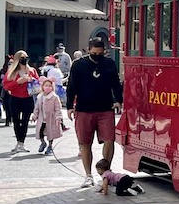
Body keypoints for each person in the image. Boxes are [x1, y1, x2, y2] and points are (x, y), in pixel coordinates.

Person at [67, 37, 123, 188]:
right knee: (85, 143)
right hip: (84, 109)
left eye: (100, 53)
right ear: (88, 50)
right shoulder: (78, 65)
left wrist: (118, 100)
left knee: (109, 140)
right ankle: (88, 175)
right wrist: (69, 106)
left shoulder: (109, 64)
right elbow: (71, 86)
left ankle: (107, 173)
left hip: (105, 108)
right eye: (94, 53)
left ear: (104, 51)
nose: (97, 56)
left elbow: (116, 83)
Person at [2, 50, 39, 153]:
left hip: (27, 98)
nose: (24, 60)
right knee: (16, 121)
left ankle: (22, 143)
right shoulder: (11, 72)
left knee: (25, 121)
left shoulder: (32, 71)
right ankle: (18, 142)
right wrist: (17, 82)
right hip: (15, 98)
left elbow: (38, 83)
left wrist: (31, 80)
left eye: (26, 57)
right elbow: (6, 85)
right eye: (22, 58)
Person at [31, 77, 64, 156]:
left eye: (49, 86)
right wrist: (34, 116)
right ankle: (43, 143)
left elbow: (58, 108)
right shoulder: (40, 97)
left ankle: (50, 146)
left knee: (50, 133)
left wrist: (58, 117)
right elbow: (37, 108)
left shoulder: (55, 97)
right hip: (42, 118)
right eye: (46, 86)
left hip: (51, 118)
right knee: (40, 132)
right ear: (42, 87)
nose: (47, 87)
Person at [0, 54, 13, 127]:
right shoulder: (3, 71)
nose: (11, 65)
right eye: (9, 63)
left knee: (11, 106)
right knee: (6, 106)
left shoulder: (15, 71)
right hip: (4, 91)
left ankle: (10, 119)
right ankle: (7, 119)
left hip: (13, 91)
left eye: (12, 63)